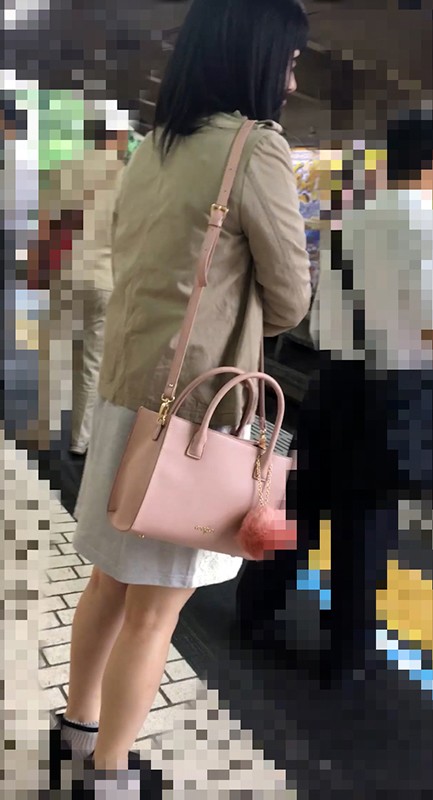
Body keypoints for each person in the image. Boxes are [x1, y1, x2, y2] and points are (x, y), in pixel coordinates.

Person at [53, 0, 312, 779]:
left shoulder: (153, 146)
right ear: (253, 57)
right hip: (193, 415)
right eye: (288, 62)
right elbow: (291, 298)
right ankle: (109, 774)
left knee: (109, 581)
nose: (292, 82)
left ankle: (76, 732)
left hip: (126, 395)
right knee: (155, 610)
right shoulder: (253, 148)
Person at [69, 113, 128, 456]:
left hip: (60, 274)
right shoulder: (125, 177)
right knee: (91, 362)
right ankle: (79, 438)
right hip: (102, 279)